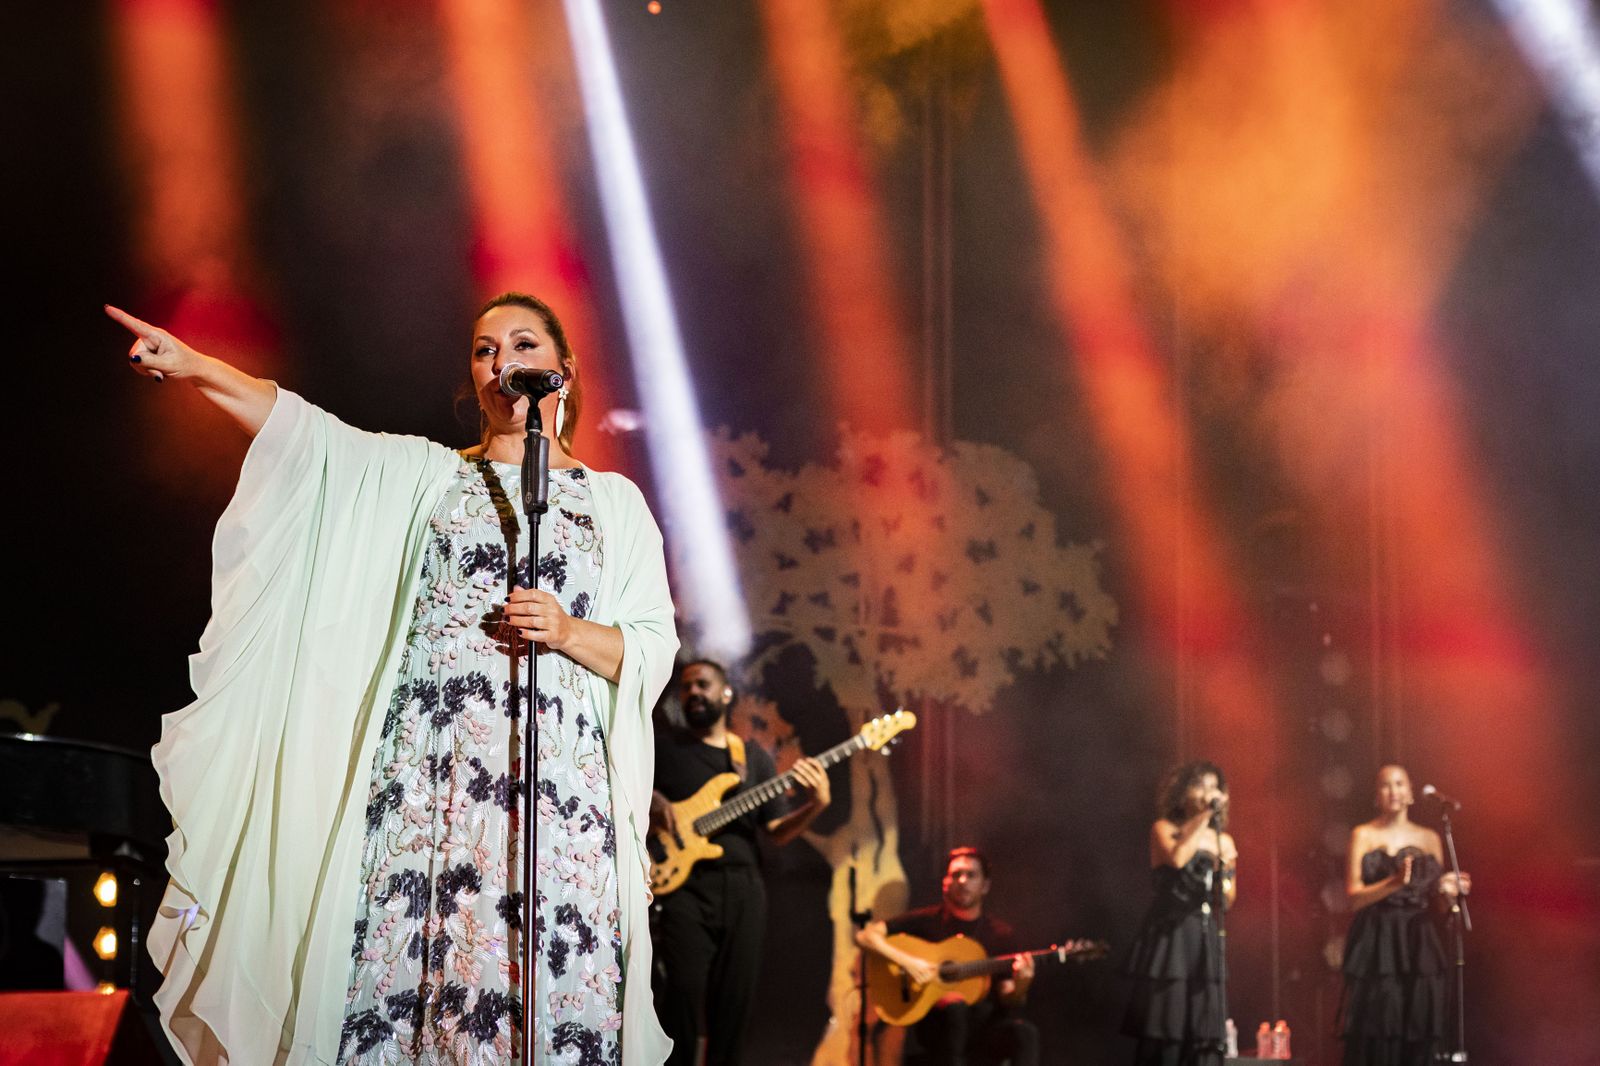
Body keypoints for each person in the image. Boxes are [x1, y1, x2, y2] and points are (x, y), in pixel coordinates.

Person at [107, 293, 678, 1065]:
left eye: (520, 344)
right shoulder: (428, 478)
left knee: (549, 998)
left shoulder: (615, 505)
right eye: (483, 350)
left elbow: (649, 649)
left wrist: (569, 630)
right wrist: (196, 366)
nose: (501, 361)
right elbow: (310, 440)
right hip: (431, 784)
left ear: (563, 371)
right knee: (419, 988)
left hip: (558, 795)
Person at [648, 659, 831, 1066]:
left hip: (743, 889)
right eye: (688, 686)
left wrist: (816, 805)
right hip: (684, 889)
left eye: (704, 684)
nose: (694, 692)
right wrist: (651, 800)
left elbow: (778, 830)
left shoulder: (752, 758)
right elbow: (628, 791)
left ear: (726, 693)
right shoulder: (666, 748)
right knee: (680, 994)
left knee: (734, 1003)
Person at [855, 846, 1040, 1066]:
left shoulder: (1000, 934)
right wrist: (908, 962)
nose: (963, 881)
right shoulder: (926, 921)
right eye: (956, 875)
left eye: (971, 875)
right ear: (945, 883)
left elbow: (1009, 997)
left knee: (1024, 1033)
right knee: (954, 1008)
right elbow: (867, 936)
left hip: (984, 1029)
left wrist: (1022, 984)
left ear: (985, 885)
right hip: (939, 1027)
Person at [1339, 764, 1470, 1066]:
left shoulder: (1430, 838)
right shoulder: (1363, 834)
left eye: (1400, 784)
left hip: (1418, 940)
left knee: (1418, 1022)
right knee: (1380, 1024)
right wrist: (1393, 883)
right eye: (1386, 785)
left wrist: (1449, 891)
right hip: (1378, 941)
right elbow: (1354, 898)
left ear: (1411, 793)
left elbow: (1437, 905)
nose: (1393, 791)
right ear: (1377, 795)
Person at [1122, 761, 1237, 1066]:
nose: (1207, 793)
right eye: (1200, 785)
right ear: (1182, 792)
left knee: (1203, 1028)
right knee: (1167, 1025)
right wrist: (1204, 819)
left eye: (1214, 787)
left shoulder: (1223, 841)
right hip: (1170, 937)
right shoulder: (1164, 829)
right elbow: (1177, 858)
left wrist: (1223, 873)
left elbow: (1228, 898)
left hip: (1203, 933)